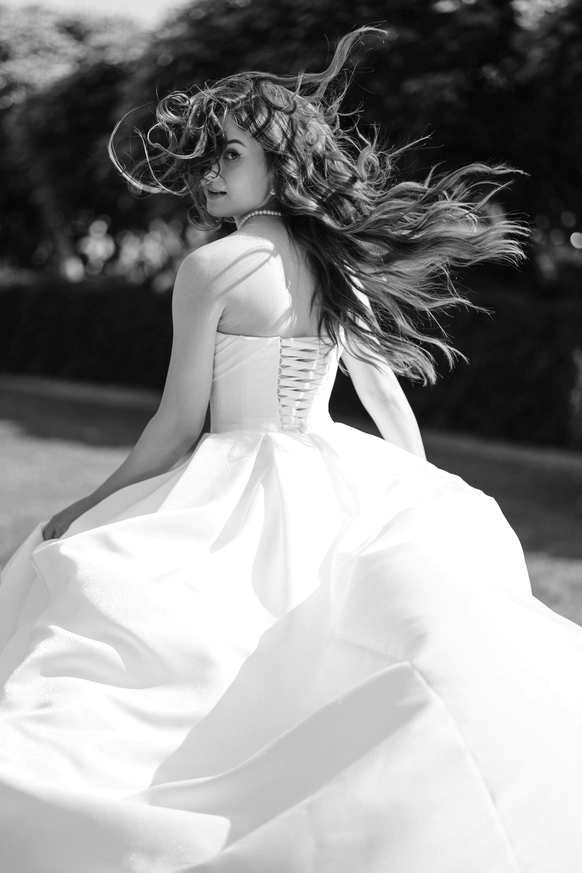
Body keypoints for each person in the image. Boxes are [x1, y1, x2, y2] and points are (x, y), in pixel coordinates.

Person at [1, 27, 581, 873]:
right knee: (316, 650)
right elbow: (383, 399)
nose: (208, 172)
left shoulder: (214, 267)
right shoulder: (336, 259)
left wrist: (89, 505)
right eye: (202, 155)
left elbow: (176, 426)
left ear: (279, 162)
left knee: (138, 615)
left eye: (228, 153)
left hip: (233, 476)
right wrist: (419, 487)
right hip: (331, 467)